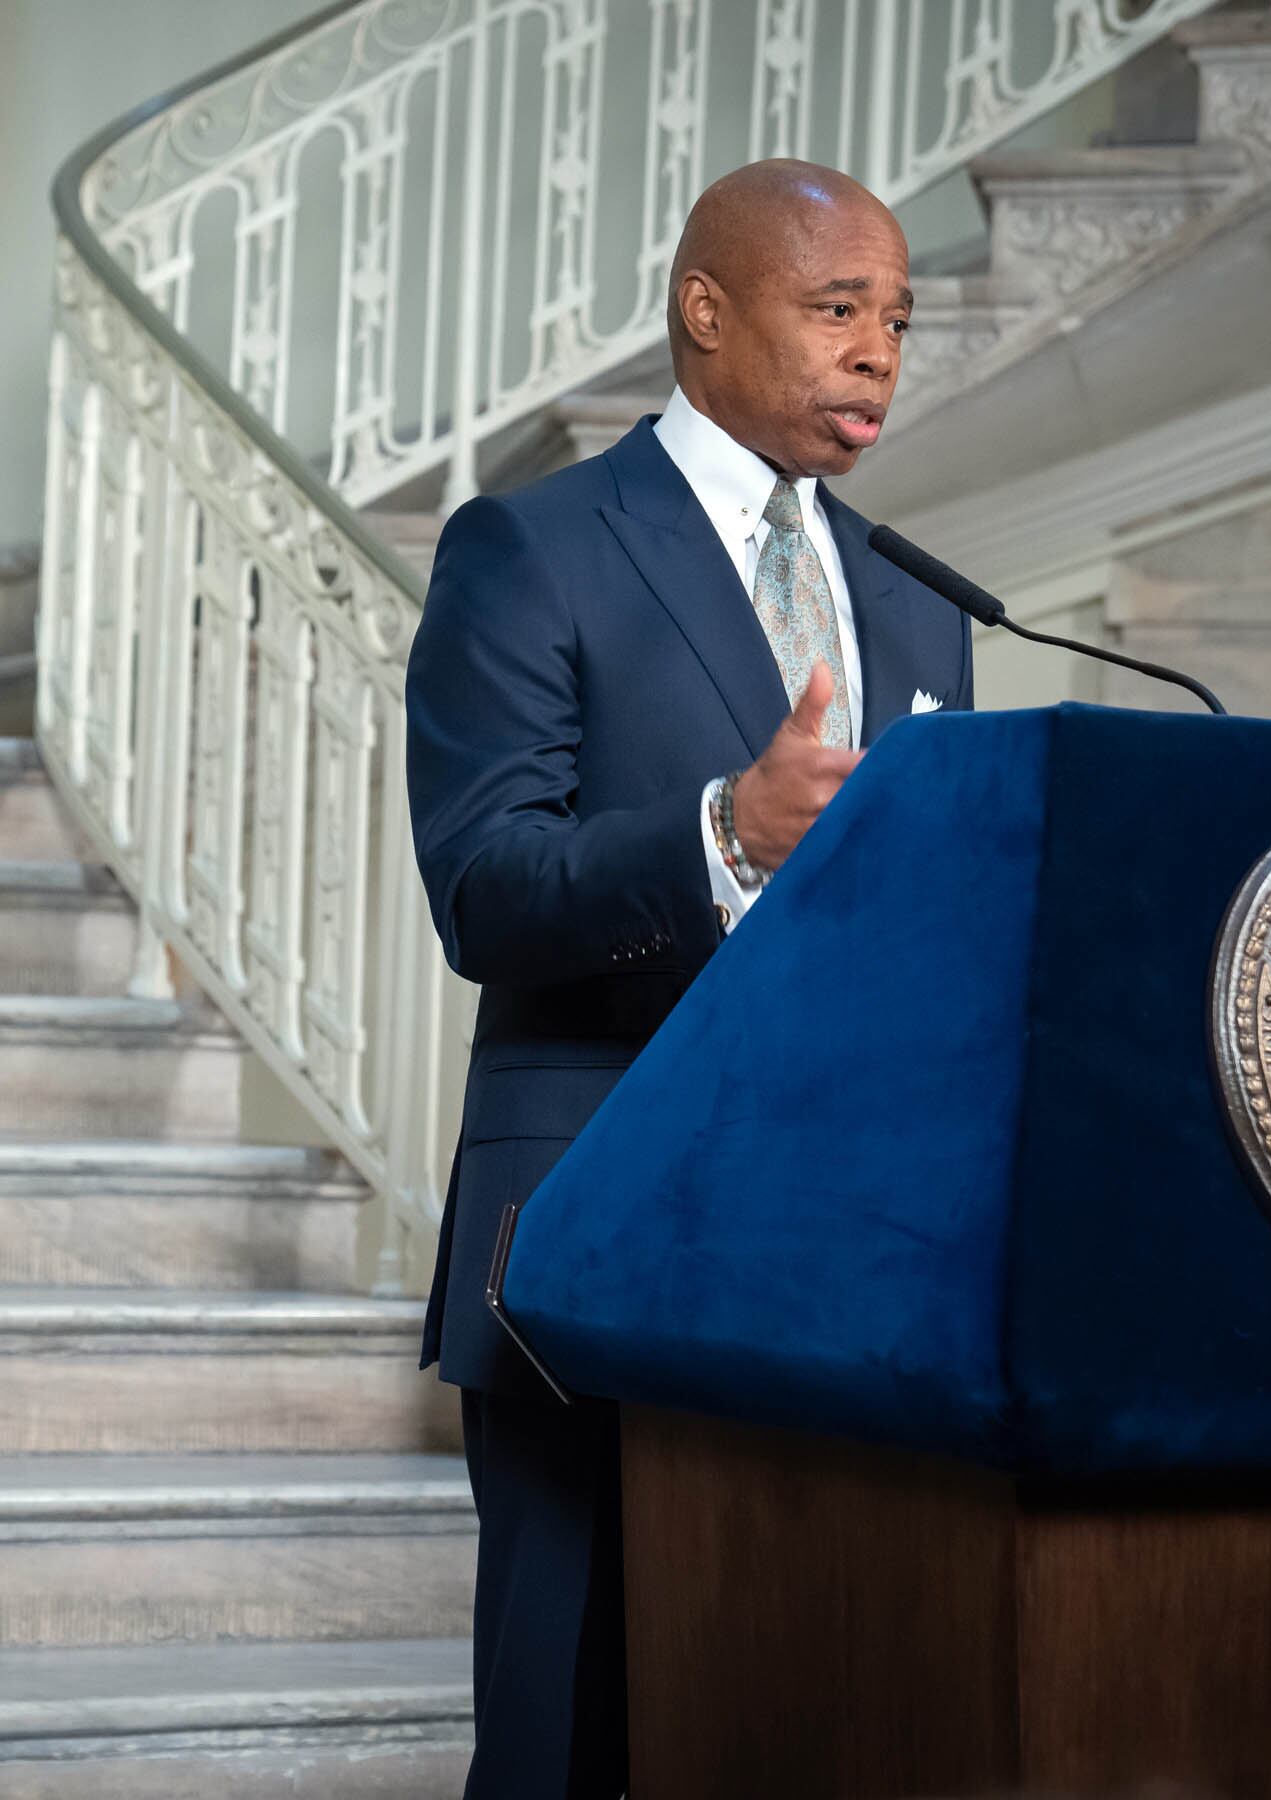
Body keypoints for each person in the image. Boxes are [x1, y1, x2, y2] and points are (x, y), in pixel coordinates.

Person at [403, 159, 973, 1796]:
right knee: (572, 1725)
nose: (878, 350)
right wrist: (723, 828)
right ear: (704, 311)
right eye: (838, 307)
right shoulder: (533, 547)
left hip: (851, 1251)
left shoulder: (917, 603)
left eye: (898, 319)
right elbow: (483, 892)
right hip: (596, 1221)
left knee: (797, 1713)